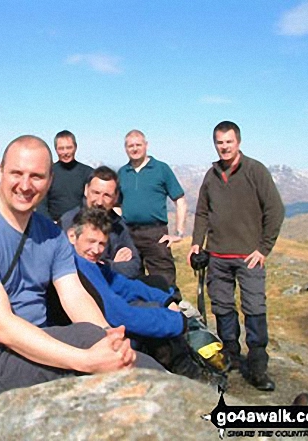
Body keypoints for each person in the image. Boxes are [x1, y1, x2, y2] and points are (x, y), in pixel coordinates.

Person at [0, 135, 163, 401]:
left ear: (49, 180)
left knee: (98, 339)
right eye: (16, 173)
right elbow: (2, 327)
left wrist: (107, 338)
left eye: (36, 176)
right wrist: (85, 360)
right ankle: (184, 408)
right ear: (0, 172)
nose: (25, 185)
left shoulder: (51, 234)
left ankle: (179, 405)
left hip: (38, 341)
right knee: (93, 350)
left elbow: (75, 296)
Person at [187, 121, 284, 392]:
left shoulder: (255, 170)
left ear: (238, 142)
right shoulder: (212, 174)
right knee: (222, 308)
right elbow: (203, 212)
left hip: (248, 257)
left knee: (254, 309)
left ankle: (257, 367)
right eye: (219, 142)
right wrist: (197, 243)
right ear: (214, 144)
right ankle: (229, 357)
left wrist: (263, 248)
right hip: (217, 256)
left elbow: (275, 210)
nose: (224, 146)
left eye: (228, 141)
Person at [65, 206, 204, 379]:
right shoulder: (76, 267)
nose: (96, 250)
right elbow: (120, 315)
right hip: (91, 338)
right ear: (72, 236)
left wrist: (166, 300)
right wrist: (179, 321)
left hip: (105, 328)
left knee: (152, 302)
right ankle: (193, 380)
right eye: (91, 241)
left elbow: (124, 285)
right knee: (153, 329)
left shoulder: (90, 264)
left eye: (101, 244)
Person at [118, 130, 187, 298]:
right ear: (125, 148)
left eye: (138, 145)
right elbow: (117, 205)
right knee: (131, 278)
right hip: (128, 232)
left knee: (164, 280)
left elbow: (180, 201)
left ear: (146, 145)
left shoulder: (161, 169)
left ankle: (174, 316)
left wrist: (178, 233)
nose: (134, 149)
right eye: (130, 145)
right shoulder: (122, 172)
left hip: (155, 233)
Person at [59, 166, 141, 280]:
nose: (99, 201)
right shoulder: (69, 221)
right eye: (96, 193)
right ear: (86, 190)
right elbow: (67, 264)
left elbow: (134, 266)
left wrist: (108, 265)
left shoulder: (119, 225)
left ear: (116, 197)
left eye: (107, 195)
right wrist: (111, 265)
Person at [37, 130, 93, 222]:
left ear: (75, 147)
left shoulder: (88, 173)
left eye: (69, 147)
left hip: (81, 224)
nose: (65, 152)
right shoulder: (48, 173)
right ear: (56, 150)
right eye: (61, 148)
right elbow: (41, 204)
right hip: (54, 224)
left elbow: (91, 201)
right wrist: (50, 225)